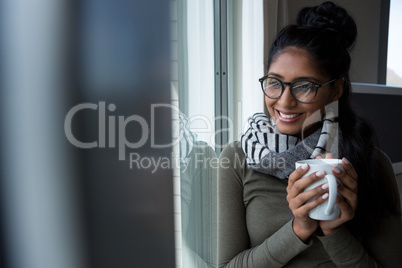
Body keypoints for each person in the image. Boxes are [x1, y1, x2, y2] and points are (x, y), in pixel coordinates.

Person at [218, 1, 402, 267]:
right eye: (274, 82)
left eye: (304, 86)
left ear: (336, 89)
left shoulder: (371, 162)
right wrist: (298, 229)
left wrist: (333, 230)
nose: (284, 101)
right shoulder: (237, 159)